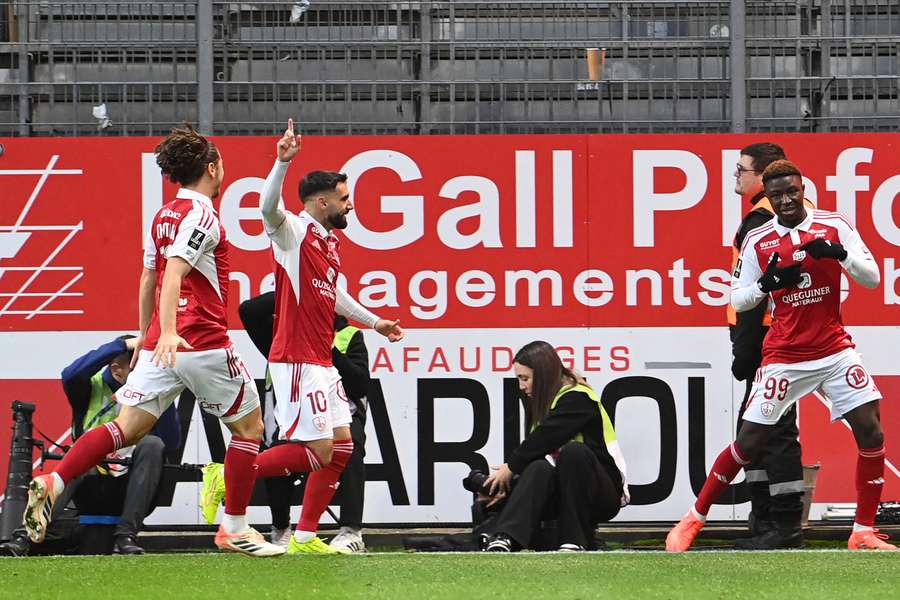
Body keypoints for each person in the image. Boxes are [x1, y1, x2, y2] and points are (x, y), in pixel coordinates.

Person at [23, 125, 284, 558]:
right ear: (212, 168)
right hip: (200, 341)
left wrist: (146, 336)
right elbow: (175, 272)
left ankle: (56, 479)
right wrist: (169, 332)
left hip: (161, 345)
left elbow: (149, 276)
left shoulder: (164, 215)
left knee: (126, 428)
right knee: (250, 429)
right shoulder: (203, 216)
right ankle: (235, 527)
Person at [667, 159, 894, 552]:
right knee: (748, 443)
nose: (786, 200)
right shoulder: (759, 239)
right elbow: (737, 298)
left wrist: (839, 254)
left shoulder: (834, 225)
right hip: (785, 356)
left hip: (834, 350)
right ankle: (693, 518)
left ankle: (862, 532)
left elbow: (872, 278)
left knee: (871, 431)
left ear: (803, 189)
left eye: (792, 191)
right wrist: (767, 284)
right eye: (777, 195)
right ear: (769, 198)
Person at [201, 118, 402, 556]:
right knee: (318, 451)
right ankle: (228, 476)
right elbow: (266, 208)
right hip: (296, 359)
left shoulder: (329, 243)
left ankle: (306, 538)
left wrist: (375, 323)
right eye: (344, 199)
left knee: (343, 447)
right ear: (321, 201)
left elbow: (336, 295)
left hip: (321, 363)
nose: (351, 205)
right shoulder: (292, 232)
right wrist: (282, 162)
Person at [1, 336, 179, 556]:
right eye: (140, 369)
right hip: (90, 486)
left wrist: (162, 397)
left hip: (132, 486)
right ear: (117, 370)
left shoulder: (151, 392)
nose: (147, 375)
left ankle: (125, 538)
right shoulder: (90, 387)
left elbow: (171, 442)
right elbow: (70, 374)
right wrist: (122, 345)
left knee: (153, 444)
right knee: (80, 456)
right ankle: (23, 538)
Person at [235, 292, 371, 553]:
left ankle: (347, 532)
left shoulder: (348, 335)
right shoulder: (283, 336)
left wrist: (328, 350)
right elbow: (249, 311)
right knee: (280, 448)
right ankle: (282, 530)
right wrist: (295, 291)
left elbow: (360, 384)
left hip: (335, 414)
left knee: (346, 446)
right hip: (294, 418)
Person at [729, 143, 812, 549]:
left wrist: (744, 350)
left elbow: (755, 291)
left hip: (766, 336)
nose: (735, 176)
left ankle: (782, 524)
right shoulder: (798, 213)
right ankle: (766, 520)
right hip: (782, 332)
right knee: (756, 429)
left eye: (741, 169)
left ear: (762, 176)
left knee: (772, 429)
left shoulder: (762, 221)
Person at [481, 341, 629, 552]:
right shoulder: (544, 404)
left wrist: (510, 467)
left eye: (525, 378)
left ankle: (574, 540)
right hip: (562, 495)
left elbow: (545, 438)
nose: (521, 386)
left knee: (574, 452)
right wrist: (507, 489)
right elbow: (537, 457)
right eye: (519, 379)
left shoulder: (578, 397)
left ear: (543, 376)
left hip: (602, 495)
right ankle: (506, 537)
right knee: (539, 466)